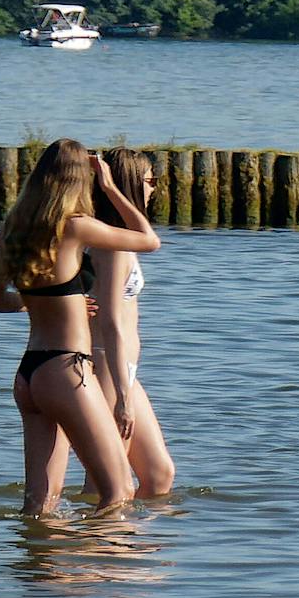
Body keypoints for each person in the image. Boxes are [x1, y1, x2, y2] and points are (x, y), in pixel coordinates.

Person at [0, 138, 161, 514]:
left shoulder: (10, 230)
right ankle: (97, 568)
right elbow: (148, 240)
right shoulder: (77, 227)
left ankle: (39, 570)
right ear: (82, 180)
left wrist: (53, 301)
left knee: (39, 503)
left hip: (29, 374)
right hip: (67, 371)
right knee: (119, 492)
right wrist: (111, 187)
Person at [87, 148, 177, 497]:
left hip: (124, 368)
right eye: (149, 180)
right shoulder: (112, 247)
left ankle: (127, 546)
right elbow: (110, 319)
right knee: (107, 482)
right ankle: (96, 546)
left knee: (158, 475)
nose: (154, 188)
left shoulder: (119, 239)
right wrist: (122, 395)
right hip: (108, 366)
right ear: (130, 184)